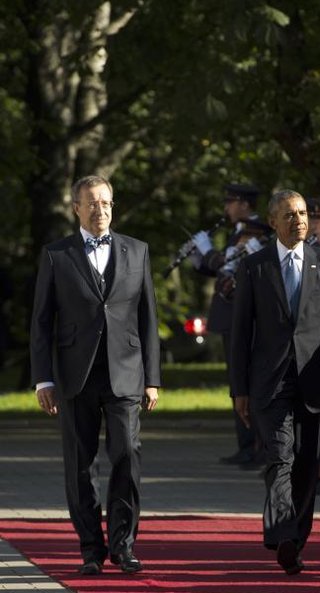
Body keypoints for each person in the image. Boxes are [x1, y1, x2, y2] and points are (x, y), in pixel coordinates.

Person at [30, 175, 161, 575]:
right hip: (75, 376)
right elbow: (41, 323)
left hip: (125, 374)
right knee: (80, 466)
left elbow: (148, 318)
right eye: (91, 203)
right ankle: (91, 549)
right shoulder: (57, 254)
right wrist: (44, 379)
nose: (100, 210)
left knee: (126, 457)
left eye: (106, 203)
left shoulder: (137, 251)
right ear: (76, 208)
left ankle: (124, 545)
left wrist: (152, 377)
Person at [229, 189, 320, 575]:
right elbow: (240, 334)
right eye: (289, 215)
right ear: (273, 222)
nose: (299, 220)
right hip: (269, 382)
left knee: (306, 464)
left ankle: (295, 538)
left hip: (316, 381)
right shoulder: (254, 266)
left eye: (302, 214)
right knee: (280, 456)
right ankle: (283, 531)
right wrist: (239, 389)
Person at [190, 183, 266, 468]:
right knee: (237, 383)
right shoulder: (238, 232)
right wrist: (200, 258)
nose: (226, 209)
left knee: (246, 382)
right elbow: (220, 269)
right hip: (229, 315)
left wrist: (209, 253)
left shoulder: (255, 232)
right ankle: (246, 444)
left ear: (245, 204)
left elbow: (229, 265)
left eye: (231, 203)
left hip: (242, 316)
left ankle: (256, 445)